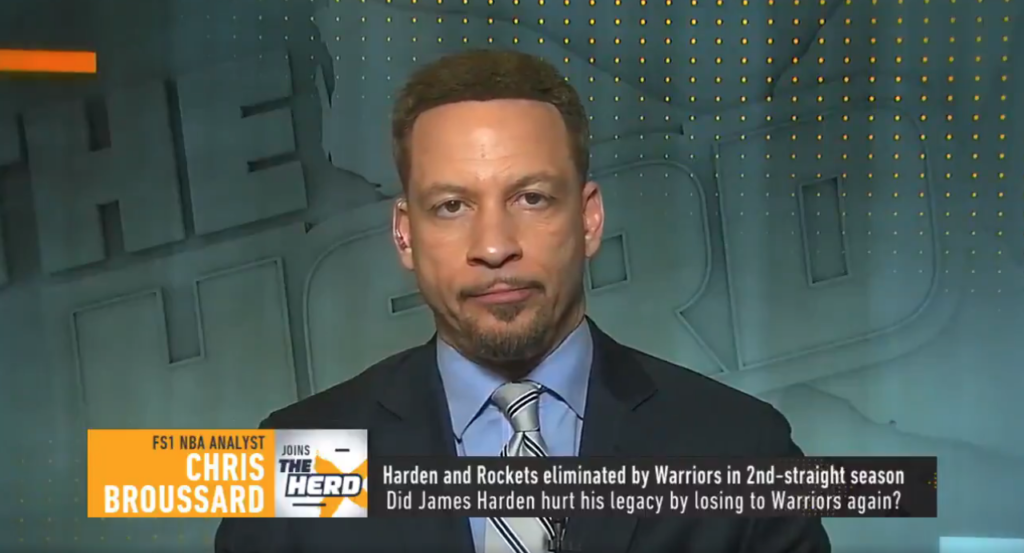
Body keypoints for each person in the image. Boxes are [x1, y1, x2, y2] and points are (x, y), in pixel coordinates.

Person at [215, 49, 831, 553]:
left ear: (589, 219)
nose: (494, 247)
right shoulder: (296, 461)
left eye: (531, 198)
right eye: (451, 206)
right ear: (405, 234)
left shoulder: (739, 447)